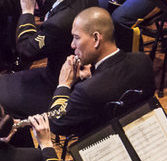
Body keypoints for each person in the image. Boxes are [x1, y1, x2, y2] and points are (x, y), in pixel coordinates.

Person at [48, 7, 155, 137]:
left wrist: (64, 85)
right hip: (145, 134)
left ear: (96, 38)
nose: (72, 45)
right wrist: (92, 76)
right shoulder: (143, 61)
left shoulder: (86, 91)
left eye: (76, 37)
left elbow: (57, 123)